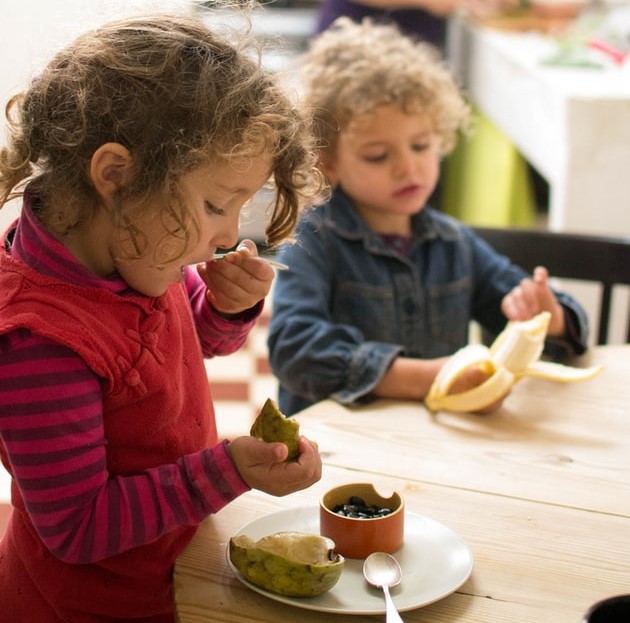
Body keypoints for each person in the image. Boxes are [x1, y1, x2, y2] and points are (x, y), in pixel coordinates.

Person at [0, 13, 323, 622]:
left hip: (172, 560)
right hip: (93, 605)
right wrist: (224, 472)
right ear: (116, 177)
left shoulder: (126, 250)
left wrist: (226, 307)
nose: (229, 236)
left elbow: (178, 345)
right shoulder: (41, 345)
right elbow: (77, 528)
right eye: (214, 205)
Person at [267, 18, 589, 416]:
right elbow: (295, 351)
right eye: (378, 155)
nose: (408, 168)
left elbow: (544, 320)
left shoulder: (454, 242)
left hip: (434, 450)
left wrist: (551, 317)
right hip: (340, 449)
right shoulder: (315, 240)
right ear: (327, 162)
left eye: (420, 145)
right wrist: (427, 377)